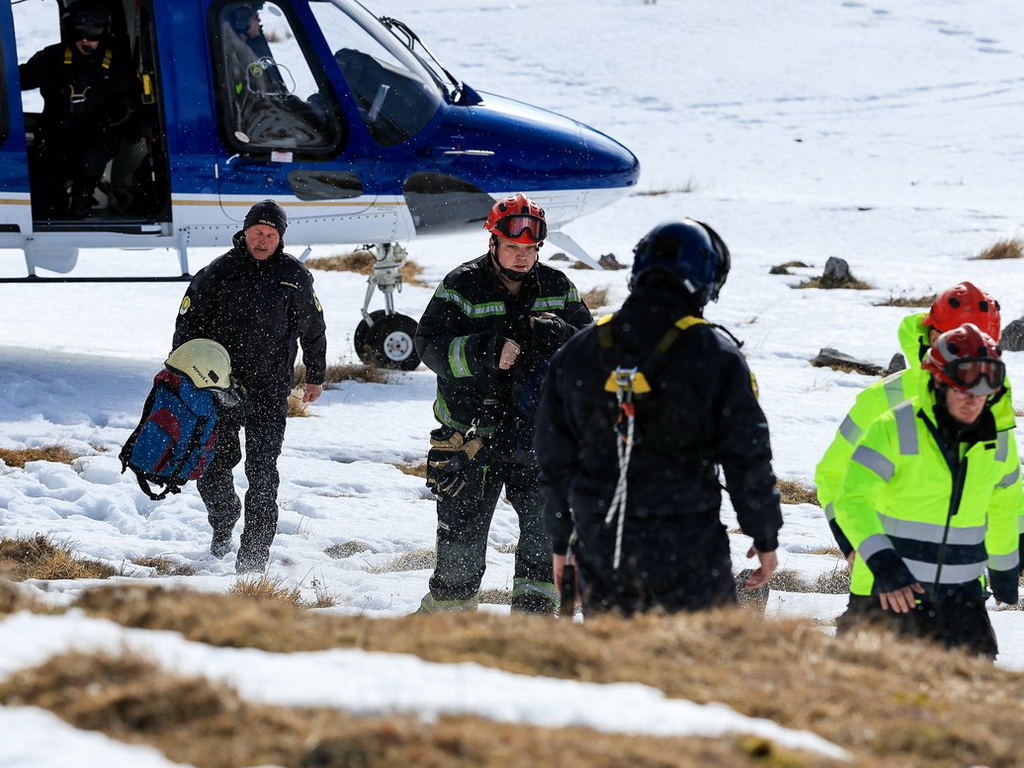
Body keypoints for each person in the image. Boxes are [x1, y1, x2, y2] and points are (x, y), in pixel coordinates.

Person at [534, 220, 783, 617]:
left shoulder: (581, 350)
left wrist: (563, 540)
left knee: (614, 653)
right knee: (698, 650)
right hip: (688, 546)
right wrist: (764, 533)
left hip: (604, 544)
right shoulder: (714, 354)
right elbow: (747, 455)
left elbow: (554, 459)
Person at [415, 193, 593, 614]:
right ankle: (441, 632)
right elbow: (427, 345)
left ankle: (534, 630)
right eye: (512, 246)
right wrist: (484, 351)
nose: (521, 256)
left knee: (545, 541)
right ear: (493, 242)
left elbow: (595, 350)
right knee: (459, 550)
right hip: (471, 439)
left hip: (540, 439)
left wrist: (562, 335)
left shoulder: (558, 287)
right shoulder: (461, 286)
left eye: (530, 248)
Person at [833, 323, 1020, 658]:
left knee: (971, 686)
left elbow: (1004, 507)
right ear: (938, 381)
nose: (974, 400)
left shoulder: (999, 443)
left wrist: (1004, 569)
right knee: (866, 686)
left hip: (963, 599)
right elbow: (852, 498)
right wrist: (884, 565)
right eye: (964, 388)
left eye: (984, 389)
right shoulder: (893, 427)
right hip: (891, 590)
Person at [173, 199, 327, 573]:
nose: (262, 241)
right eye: (257, 232)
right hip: (220, 390)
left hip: (269, 391)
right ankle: (224, 517)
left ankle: (253, 559)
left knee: (262, 474)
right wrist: (181, 376)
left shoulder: (293, 276)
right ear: (244, 232)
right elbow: (186, 327)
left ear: (280, 238)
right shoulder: (217, 273)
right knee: (213, 468)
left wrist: (315, 374)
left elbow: (313, 327)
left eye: (270, 235)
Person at [814, 282, 1017, 560]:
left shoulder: (994, 404)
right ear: (934, 338)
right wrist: (853, 545)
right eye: (959, 343)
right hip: (889, 570)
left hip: (964, 573)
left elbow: (1007, 488)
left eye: (986, 346)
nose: (975, 355)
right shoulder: (883, 399)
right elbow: (832, 475)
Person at [19, 0, 135, 218]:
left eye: (92, 35)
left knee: (93, 155)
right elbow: (18, 80)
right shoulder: (53, 57)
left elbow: (133, 101)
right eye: (79, 34)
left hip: (94, 138)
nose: (85, 41)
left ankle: (83, 196)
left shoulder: (118, 66)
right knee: (42, 195)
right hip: (54, 136)